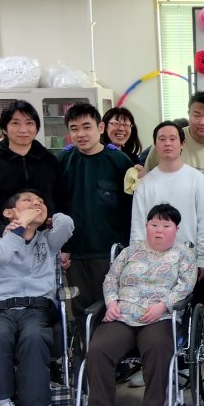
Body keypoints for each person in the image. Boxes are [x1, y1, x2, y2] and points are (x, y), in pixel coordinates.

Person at [80, 203, 197, 406]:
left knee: (158, 348)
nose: (159, 230)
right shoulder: (129, 252)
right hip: (122, 315)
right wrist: (111, 302)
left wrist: (163, 305)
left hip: (159, 316)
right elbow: (110, 279)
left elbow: (186, 286)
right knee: (99, 349)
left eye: (166, 226)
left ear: (176, 229)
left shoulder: (184, 254)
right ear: (146, 226)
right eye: (154, 224)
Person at [0, 190, 74, 406]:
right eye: (28, 201)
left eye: (40, 202)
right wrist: (19, 227)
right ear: (8, 212)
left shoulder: (47, 241)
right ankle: (4, 405)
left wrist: (49, 219)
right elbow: (0, 256)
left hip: (36, 307)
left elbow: (67, 225)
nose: (36, 204)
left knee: (34, 336)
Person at [58, 103, 134, 325]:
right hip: (75, 254)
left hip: (110, 252)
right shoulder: (63, 161)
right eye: (74, 129)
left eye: (86, 127)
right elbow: (58, 208)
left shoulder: (119, 161)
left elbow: (131, 210)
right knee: (81, 312)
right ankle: (86, 348)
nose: (80, 134)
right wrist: (63, 247)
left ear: (100, 128)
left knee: (112, 310)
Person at [0, 100, 64, 238]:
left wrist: (55, 221)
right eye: (15, 123)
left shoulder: (49, 160)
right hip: (4, 237)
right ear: (4, 129)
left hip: (46, 237)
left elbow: (62, 199)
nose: (23, 129)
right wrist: (2, 229)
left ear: (37, 128)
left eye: (29, 123)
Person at [130, 121, 204, 272]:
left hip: (189, 261)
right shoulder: (145, 184)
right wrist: (137, 259)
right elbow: (138, 226)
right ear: (155, 144)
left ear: (182, 144)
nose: (167, 143)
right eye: (162, 139)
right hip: (152, 264)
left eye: (173, 139)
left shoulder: (197, 179)